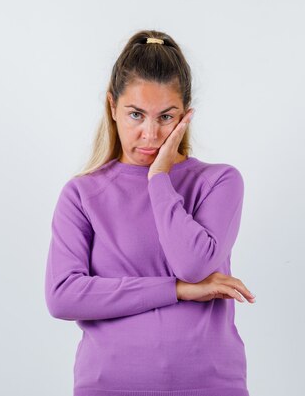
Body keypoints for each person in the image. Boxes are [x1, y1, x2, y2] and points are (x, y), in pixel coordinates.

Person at [44, 30, 255, 396]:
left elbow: (194, 265)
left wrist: (158, 178)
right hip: (108, 387)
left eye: (166, 117)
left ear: (185, 117)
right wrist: (176, 290)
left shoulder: (219, 182)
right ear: (112, 107)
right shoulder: (82, 194)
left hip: (208, 385)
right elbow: (63, 295)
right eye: (136, 114)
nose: (150, 133)